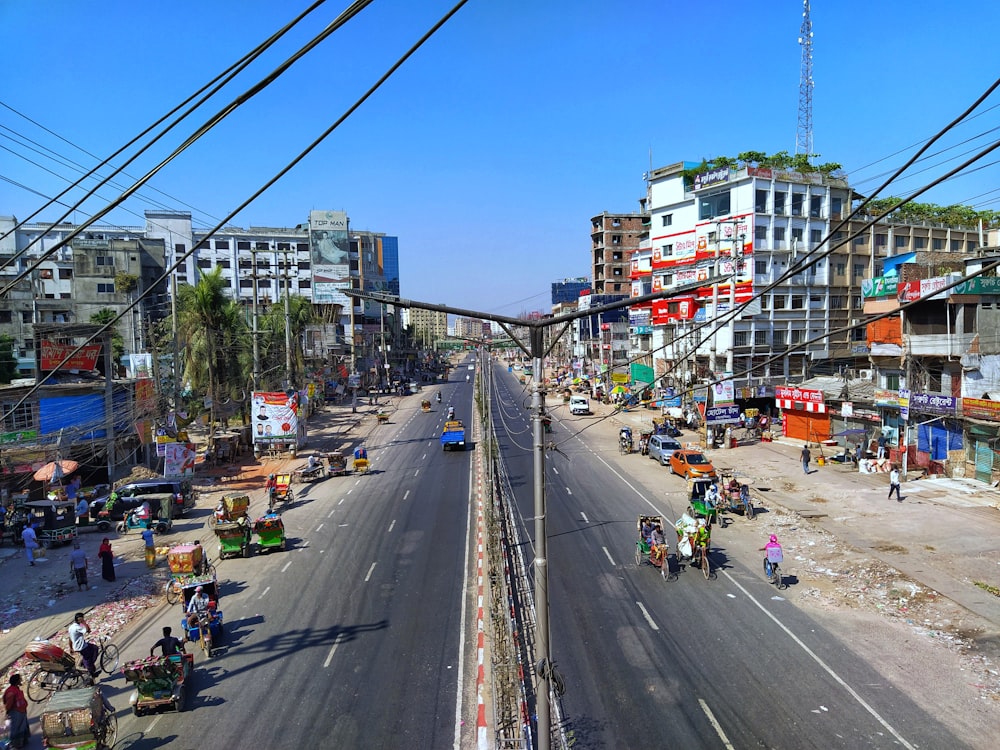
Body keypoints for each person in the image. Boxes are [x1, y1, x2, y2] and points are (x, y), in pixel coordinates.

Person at [68, 612, 99, 679]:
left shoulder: (71, 627)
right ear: (79, 619)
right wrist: (84, 622)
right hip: (81, 647)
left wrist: (70, 647)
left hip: (77, 646)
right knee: (89, 657)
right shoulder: (77, 627)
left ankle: (87, 664)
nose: (83, 619)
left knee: (93, 648)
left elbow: (70, 638)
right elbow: (88, 630)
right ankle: (90, 671)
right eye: (82, 618)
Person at [3, 673, 30, 749]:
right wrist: (8, 711)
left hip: (21, 711)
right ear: (17, 681)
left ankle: (23, 741)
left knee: (22, 726)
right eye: (19, 680)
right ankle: (16, 744)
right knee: (17, 728)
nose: (21, 680)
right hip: (16, 712)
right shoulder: (11, 692)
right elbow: (9, 704)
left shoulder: (15, 689)